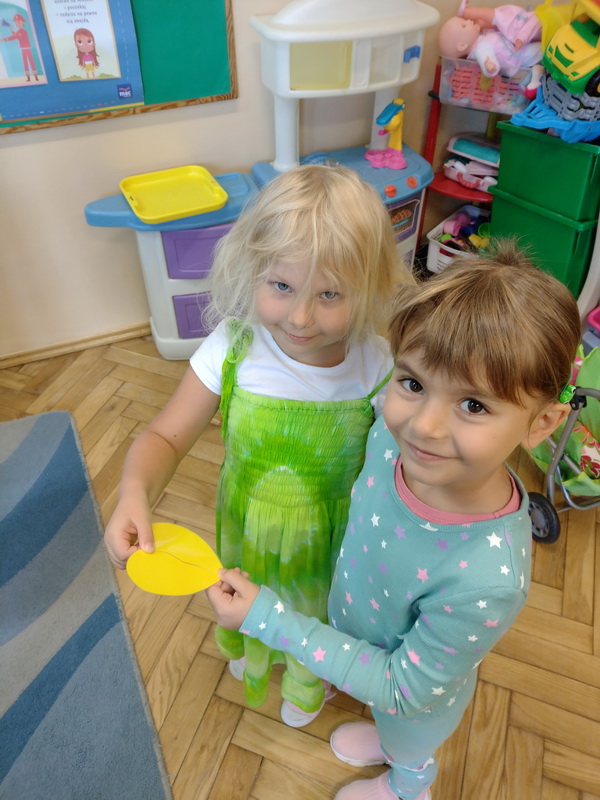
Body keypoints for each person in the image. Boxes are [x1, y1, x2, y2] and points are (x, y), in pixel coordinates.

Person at [207, 240, 581, 800]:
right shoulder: (390, 437)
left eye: (474, 405)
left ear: (542, 423)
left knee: (407, 738)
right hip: (362, 648)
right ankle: (389, 743)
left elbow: (405, 690)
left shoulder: (488, 579)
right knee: (387, 720)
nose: (423, 426)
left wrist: (269, 618)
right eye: (413, 384)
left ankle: (408, 782)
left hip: (413, 702)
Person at [103, 163, 411, 726]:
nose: (301, 316)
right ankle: (254, 647)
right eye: (282, 287)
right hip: (245, 528)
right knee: (246, 598)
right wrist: (133, 491)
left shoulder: (378, 367)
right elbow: (166, 435)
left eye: (330, 294)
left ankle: (307, 681)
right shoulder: (233, 348)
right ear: (252, 270)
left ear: (368, 288)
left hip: (331, 546)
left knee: (312, 619)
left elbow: (404, 470)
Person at [438, 3, 542, 80]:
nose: (469, 20)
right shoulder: (480, 49)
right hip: (519, 58)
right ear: (462, 45)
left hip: (516, 49)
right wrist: (489, 67)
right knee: (542, 50)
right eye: (464, 25)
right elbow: (486, 59)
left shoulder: (482, 37)